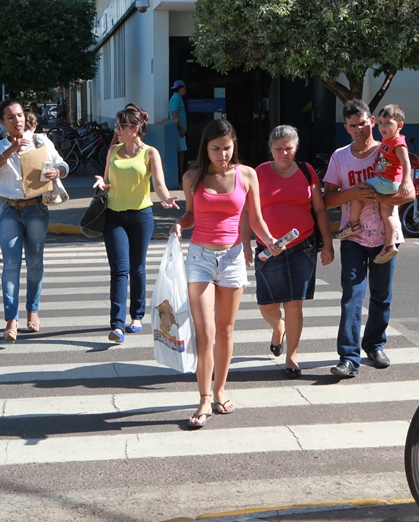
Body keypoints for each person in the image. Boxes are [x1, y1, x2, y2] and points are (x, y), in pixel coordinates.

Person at [170, 119, 282, 429]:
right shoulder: (193, 176)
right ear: (205, 148)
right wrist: (181, 223)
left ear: (235, 147)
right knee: (204, 332)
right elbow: (191, 213)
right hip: (200, 258)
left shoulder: (247, 175)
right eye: (216, 148)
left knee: (226, 329)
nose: (222, 154)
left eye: (227, 148)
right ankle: (204, 397)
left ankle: (220, 390)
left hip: (232, 257)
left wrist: (269, 240)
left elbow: (255, 217)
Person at [323, 99, 415, 378]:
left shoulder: (388, 147)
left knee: (381, 296)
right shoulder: (339, 157)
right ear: (346, 128)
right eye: (353, 126)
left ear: (372, 121)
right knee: (352, 295)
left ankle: (375, 345)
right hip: (354, 238)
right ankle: (348, 357)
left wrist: (376, 195)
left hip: (386, 237)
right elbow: (327, 199)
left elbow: (408, 194)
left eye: (363, 123)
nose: (359, 129)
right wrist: (354, 194)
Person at [241, 125, 334, 378]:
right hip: (268, 249)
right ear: (270, 149)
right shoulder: (258, 173)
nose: (284, 153)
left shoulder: (307, 172)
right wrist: (246, 242)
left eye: (289, 148)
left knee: (294, 304)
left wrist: (327, 242)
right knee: (267, 305)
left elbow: (320, 209)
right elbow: (247, 211)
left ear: (296, 148)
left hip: (302, 247)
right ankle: (277, 327)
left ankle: (292, 356)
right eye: (279, 149)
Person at [0, 99, 70, 342]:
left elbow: (62, 164)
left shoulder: (40, 141)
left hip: (36, 209)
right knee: (10, 264)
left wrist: (56, 172)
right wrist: (12, 149)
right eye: (11, 117)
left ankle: (33, 311)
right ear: (3, 123)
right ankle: (11, 319)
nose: (17, 120)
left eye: (19, 115)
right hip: (9, 210)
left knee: (34, 263)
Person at [94, 108, 178, 343]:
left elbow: (159, 184)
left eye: (122, 126)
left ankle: (137, 315)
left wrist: (166, 198)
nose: (117, 131)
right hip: (114, 217)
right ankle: (117, 326)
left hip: (141, 216)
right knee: (119, 270)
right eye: (117, 126)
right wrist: (102, 183)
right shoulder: (113, 150)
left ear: (135, 128)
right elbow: (108, 181)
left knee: (137, 267)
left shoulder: (150, 153)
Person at [336, 104, 413, 264]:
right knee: (388, 215)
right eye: (381, 122)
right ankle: (390, 245)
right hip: (389, 183)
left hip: (387, 181)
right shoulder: (387, 140)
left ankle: (353, 224)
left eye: (388, 123)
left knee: (359, 191)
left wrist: (406, 181)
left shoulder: (397, 142)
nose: (383, 127)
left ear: (399, 125)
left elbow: (406, 163)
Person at [168, 80, 188, 175]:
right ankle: (181, 174)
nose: (185, 90)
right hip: (178, 130)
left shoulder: (175, 98)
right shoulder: (176, 98)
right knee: (181, 152)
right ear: (181, 88)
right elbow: (174, 113)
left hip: (177, 129)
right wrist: (181, 128)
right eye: (184, 87)